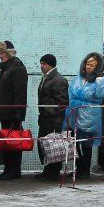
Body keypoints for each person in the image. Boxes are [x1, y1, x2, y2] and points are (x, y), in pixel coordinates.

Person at [66, 52, 104, 179]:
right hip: (74, 113)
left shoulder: (100, 81)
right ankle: (78, 167)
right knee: (75, 142)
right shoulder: (78, 78)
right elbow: (70, 93)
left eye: (92, 65)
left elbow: (101, 95)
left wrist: (100, 81)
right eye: (87, 64)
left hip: (90, 116)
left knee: (86, 144)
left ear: (98, 67)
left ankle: (85, 170)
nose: (88, 67)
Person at [0, 40, 28, 180]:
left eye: (2, 53)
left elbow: (20, 93)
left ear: (9, 53)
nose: (0, 56)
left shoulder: (17, 68)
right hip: (5, 112)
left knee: (14, 141)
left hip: (13, 113)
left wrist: (18, 115)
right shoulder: (6, 68)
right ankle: (9, 169)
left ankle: (13, 171)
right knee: (8, 141)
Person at [36, 53, 69, 182]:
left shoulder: (59, 80)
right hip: (45, 118)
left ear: (50, 65)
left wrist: (49, 111)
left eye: (44, 64)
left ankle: (53, 172)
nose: (41, 66)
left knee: (53, 146)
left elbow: (62, 103)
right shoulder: (46, 78)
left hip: (53, 120)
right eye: (41, 63)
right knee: (45, 146)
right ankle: (47, 171)